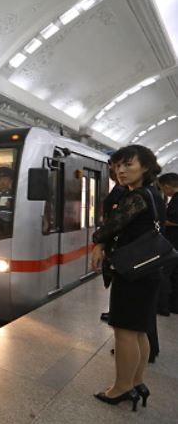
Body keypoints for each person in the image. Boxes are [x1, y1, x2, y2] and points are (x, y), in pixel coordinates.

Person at [90, 144, 165, 409]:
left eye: (128, 165)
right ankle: (136, 382)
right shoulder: (154, 194)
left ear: (145, 167)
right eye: (117, 165)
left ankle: (121, 388)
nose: (120, 170)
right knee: (139, 331)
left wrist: (97, 242)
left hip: (133, 272)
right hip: (148, 270)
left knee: (124, 332)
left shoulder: (137, 197)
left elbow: (112, 224)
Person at [100, 162, 128, 322]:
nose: (118, 171)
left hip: (123, 249)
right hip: (123, 248)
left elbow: (115, 220)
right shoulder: (124, 190)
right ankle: (116, 312)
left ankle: (117, 314)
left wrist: (100, 240)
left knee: (120, 283)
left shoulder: (123, 191)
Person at [158, 172, 178, 314]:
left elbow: (175, 221)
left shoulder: (176, 199)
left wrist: (161, 221)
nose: (164, 192)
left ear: (167, 186)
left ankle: (168, 306)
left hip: (175, 243)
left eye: (162, 189)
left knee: (169, 273)